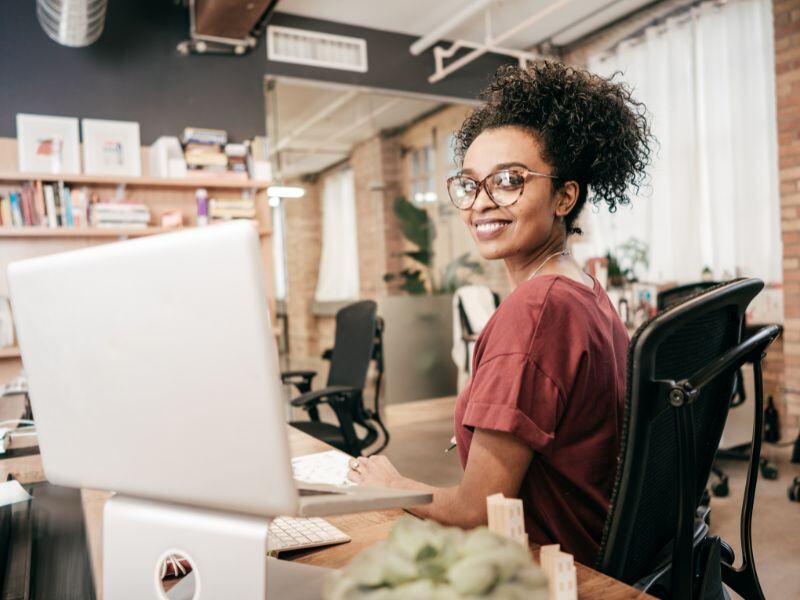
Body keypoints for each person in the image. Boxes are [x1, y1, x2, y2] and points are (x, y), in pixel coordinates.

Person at [347, 60, 653, 566]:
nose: (482, 204)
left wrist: (393, 483)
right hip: (599, 545)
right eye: (470, 184)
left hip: (554, 566)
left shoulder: (536, 311)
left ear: (564, 196)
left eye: (510, 180)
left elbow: (477, 511)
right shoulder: (584, 290)